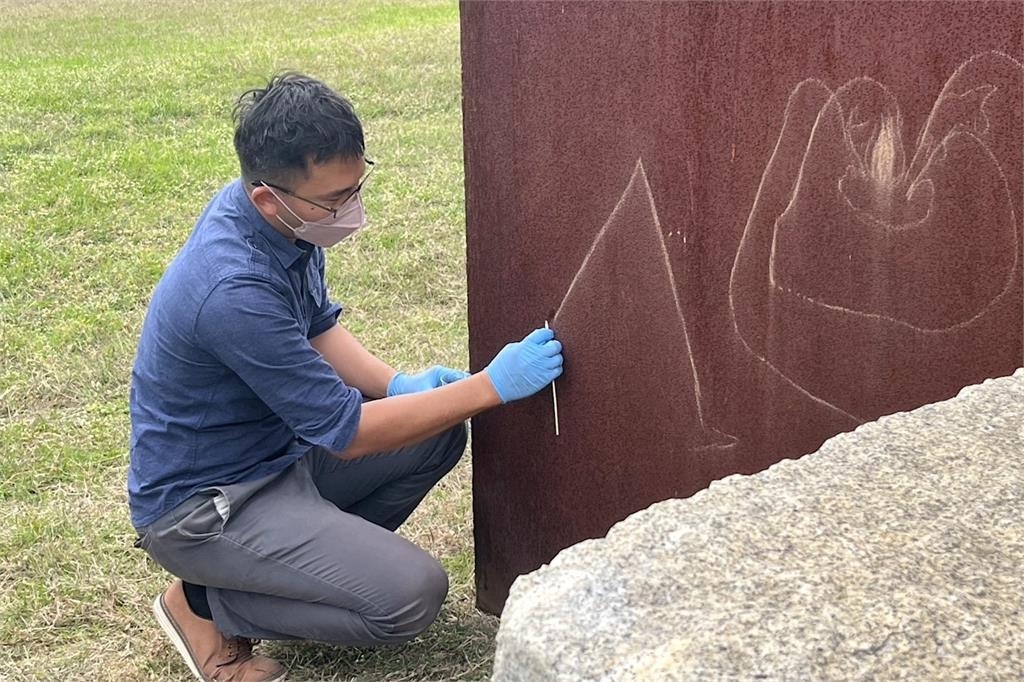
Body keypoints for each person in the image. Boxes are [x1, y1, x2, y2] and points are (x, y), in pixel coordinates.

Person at [127, 72, 563, 682]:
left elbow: (316, 327)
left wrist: (398, 385)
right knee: (410, 596)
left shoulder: (277, 221)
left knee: (433, 431)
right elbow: (349, 432)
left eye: (356, 187)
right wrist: (490, 385)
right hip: (208, 508)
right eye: (335, 199)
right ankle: (202, 602)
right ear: (266, 196)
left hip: (277, 459)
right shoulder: (231, 287)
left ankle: (298, 572)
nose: (350, 209)